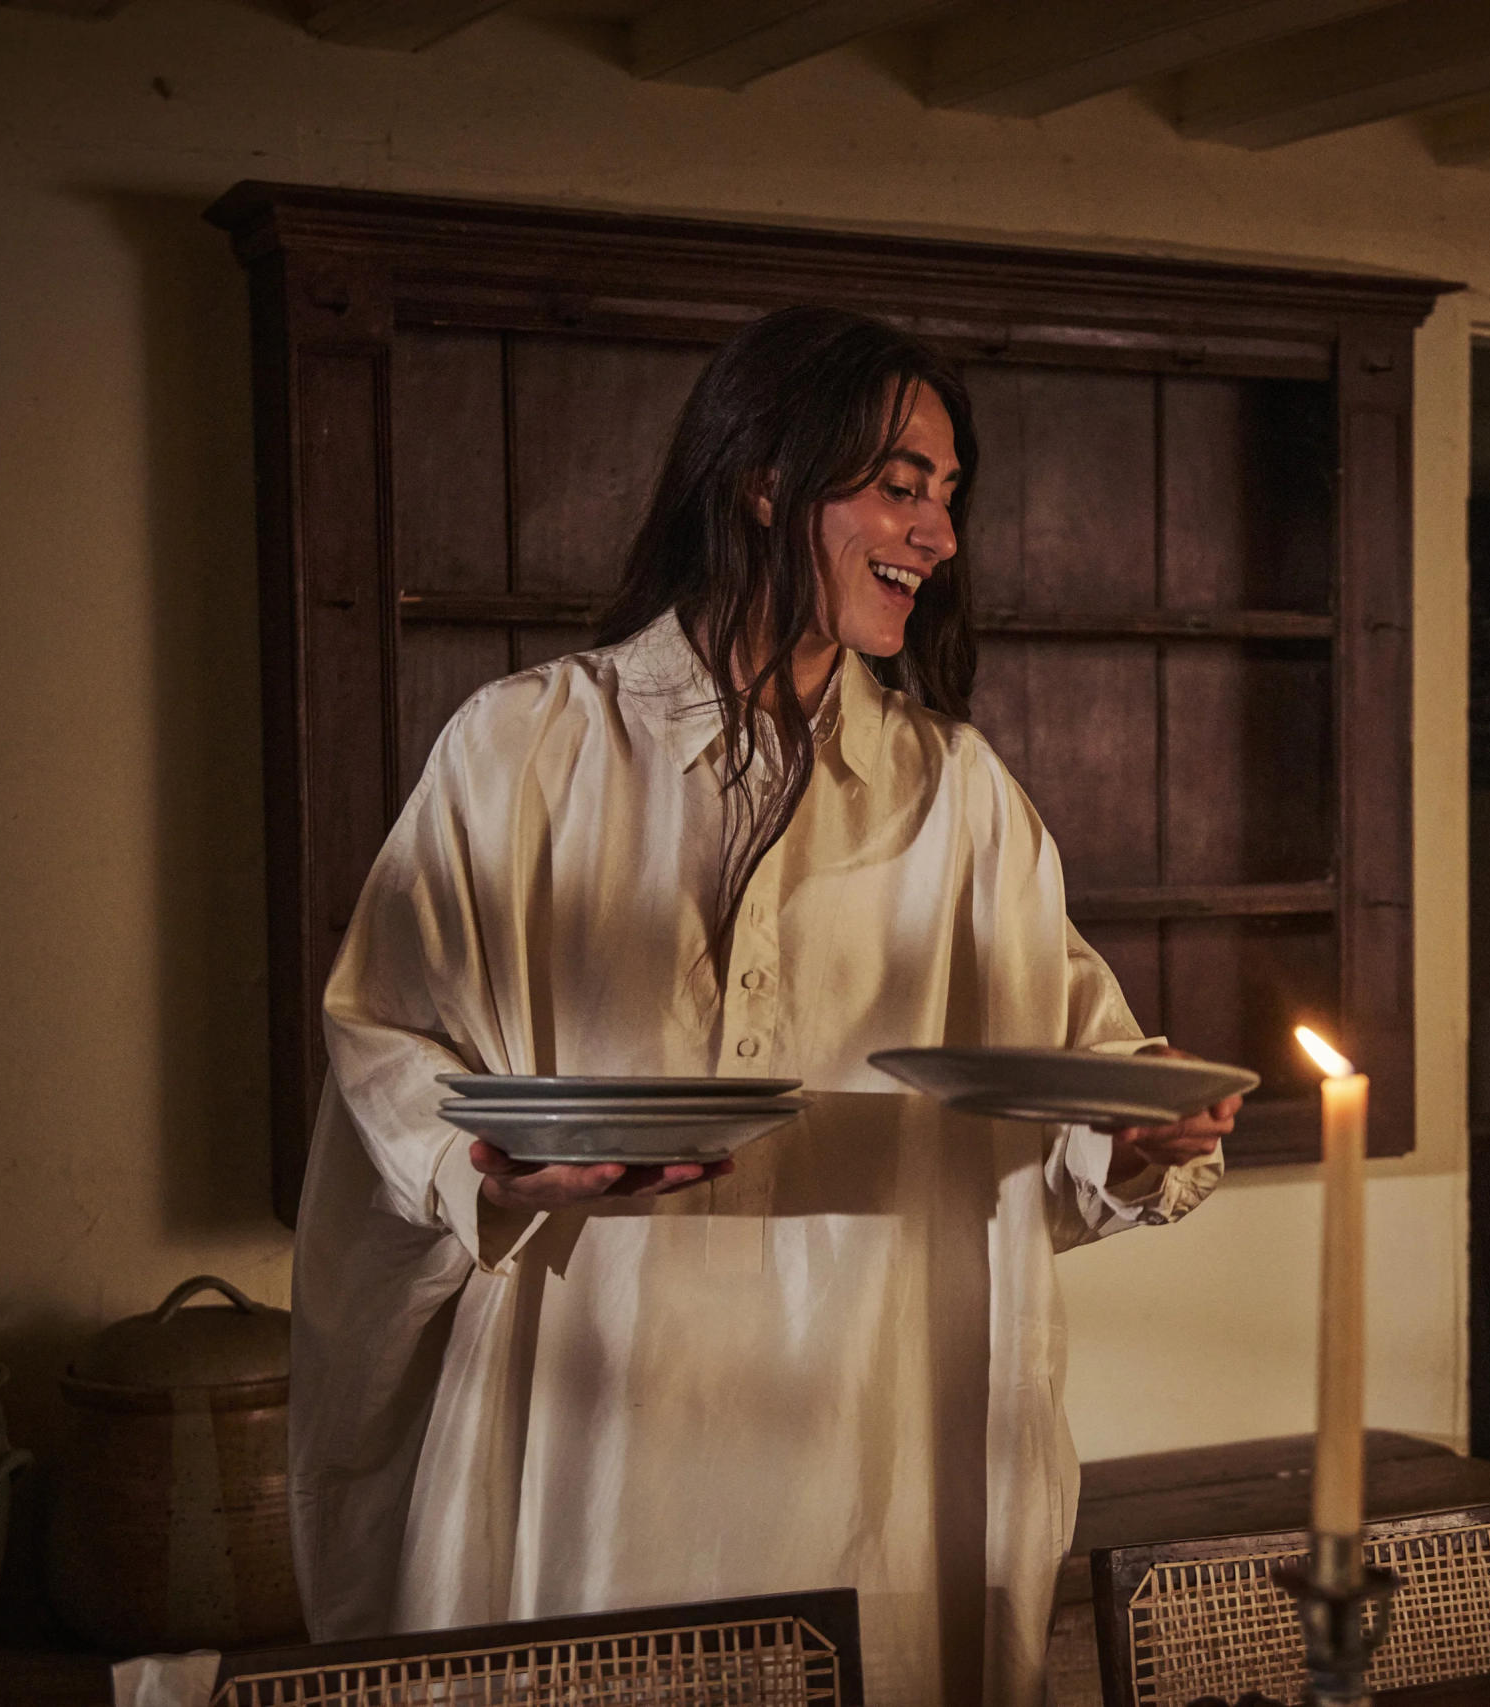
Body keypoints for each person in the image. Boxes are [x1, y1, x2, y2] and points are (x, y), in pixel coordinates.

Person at [286, 307, 1237, 1705]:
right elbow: (385, 1031)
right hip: (590, 1412)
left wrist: (1135, 1131)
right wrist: (474, 1162)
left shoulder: (957, 796)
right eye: (902, 484)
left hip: (870, 1419)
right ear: (765, 479)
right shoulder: (527, 749)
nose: (940, 532)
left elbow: (1076, 1074)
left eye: (950, 495)